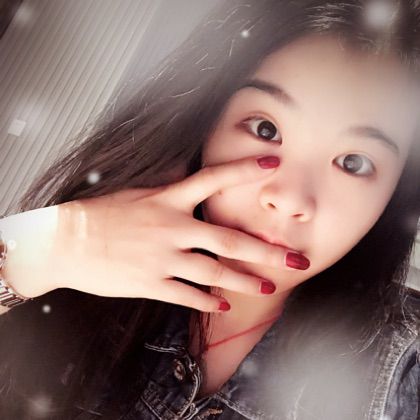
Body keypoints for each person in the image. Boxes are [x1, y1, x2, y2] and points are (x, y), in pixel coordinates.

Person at [0, 0, 419, 418]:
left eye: (354, 163)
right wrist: (52, 247)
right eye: (266, 129)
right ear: (204, 124)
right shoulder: (86, 277)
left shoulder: (403, 368)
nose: (290, 199)